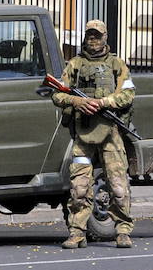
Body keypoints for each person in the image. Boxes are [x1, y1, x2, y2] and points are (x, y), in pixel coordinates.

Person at [51, 19, 136, 249]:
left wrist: (102, 102)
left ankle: (122, 231)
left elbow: (128, 95)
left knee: (118, 186)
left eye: (97, 35)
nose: (93, 39)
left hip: (110, 133)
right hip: (83, 134)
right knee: (79, 187)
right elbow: (57, 95)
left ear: (105, 37)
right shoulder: (75, 65)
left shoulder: (117, 64)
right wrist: (77, 101)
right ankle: (77, 232)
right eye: (90, 35)